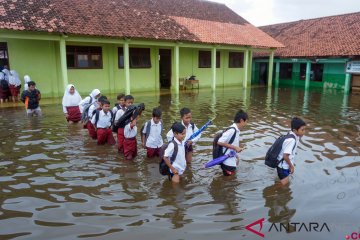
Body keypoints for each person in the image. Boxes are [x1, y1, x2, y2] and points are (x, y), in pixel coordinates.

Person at [217, 110, 248, 176]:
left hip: (230, 160)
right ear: (242, 120)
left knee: (229, 181)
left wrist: (236, 156)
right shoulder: (232, 130)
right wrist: (235, 147)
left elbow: (230, 145)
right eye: (246, 122)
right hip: (228, 163)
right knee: (230, 182)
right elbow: (219, 142)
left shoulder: (236, 131)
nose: (246, 124)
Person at [277, 117, 306, 185]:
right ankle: (271, 191)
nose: (304, 132)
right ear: (295, 130)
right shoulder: (291, 140)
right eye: (302, 130)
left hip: (281, 165)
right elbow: (285, 156)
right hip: (283, 166)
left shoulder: (292, 134)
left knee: (284, 183)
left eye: (305, 129)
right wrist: (291, 166)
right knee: (284, 185)